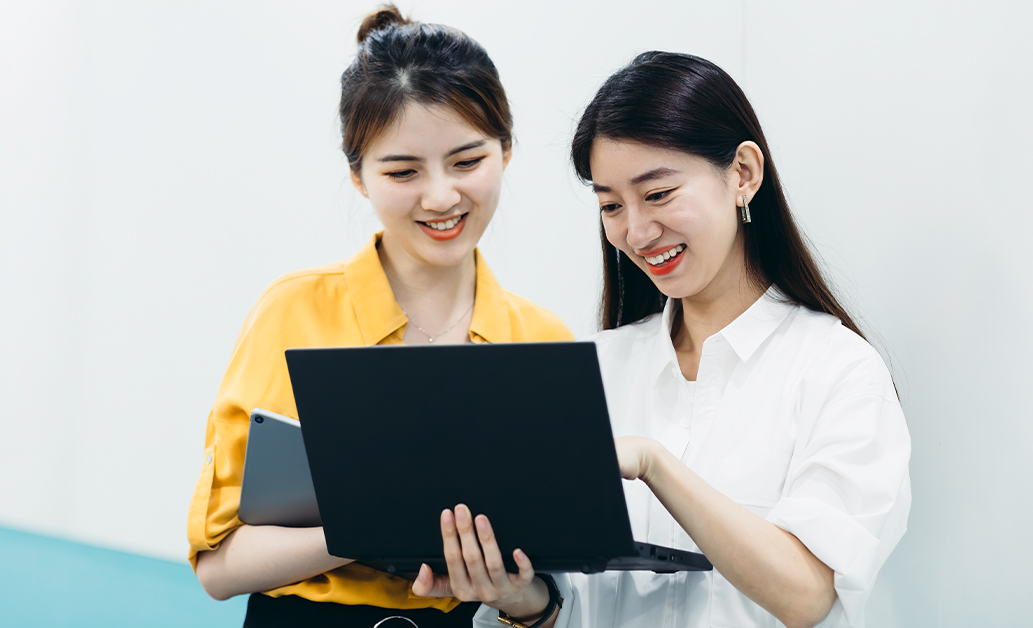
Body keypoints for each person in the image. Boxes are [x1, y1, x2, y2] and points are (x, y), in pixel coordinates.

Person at [411, 51, 911, 628]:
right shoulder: (596, 367)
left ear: (743, 173)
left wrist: (654, 463)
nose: (637, 231)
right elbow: (569, 604)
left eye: (659, 194)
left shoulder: (838, 369)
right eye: (611, 206)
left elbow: (807, 596)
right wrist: (523, 601)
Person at [186, 5, 574, 627]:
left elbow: (548, 590)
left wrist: (519, 597)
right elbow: (218, 568)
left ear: (506, 151)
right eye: (402, 171)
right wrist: (372, 524)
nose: (442, 196)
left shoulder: (543, 342)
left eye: (468, 162)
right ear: (359, 177)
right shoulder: (293, 312)